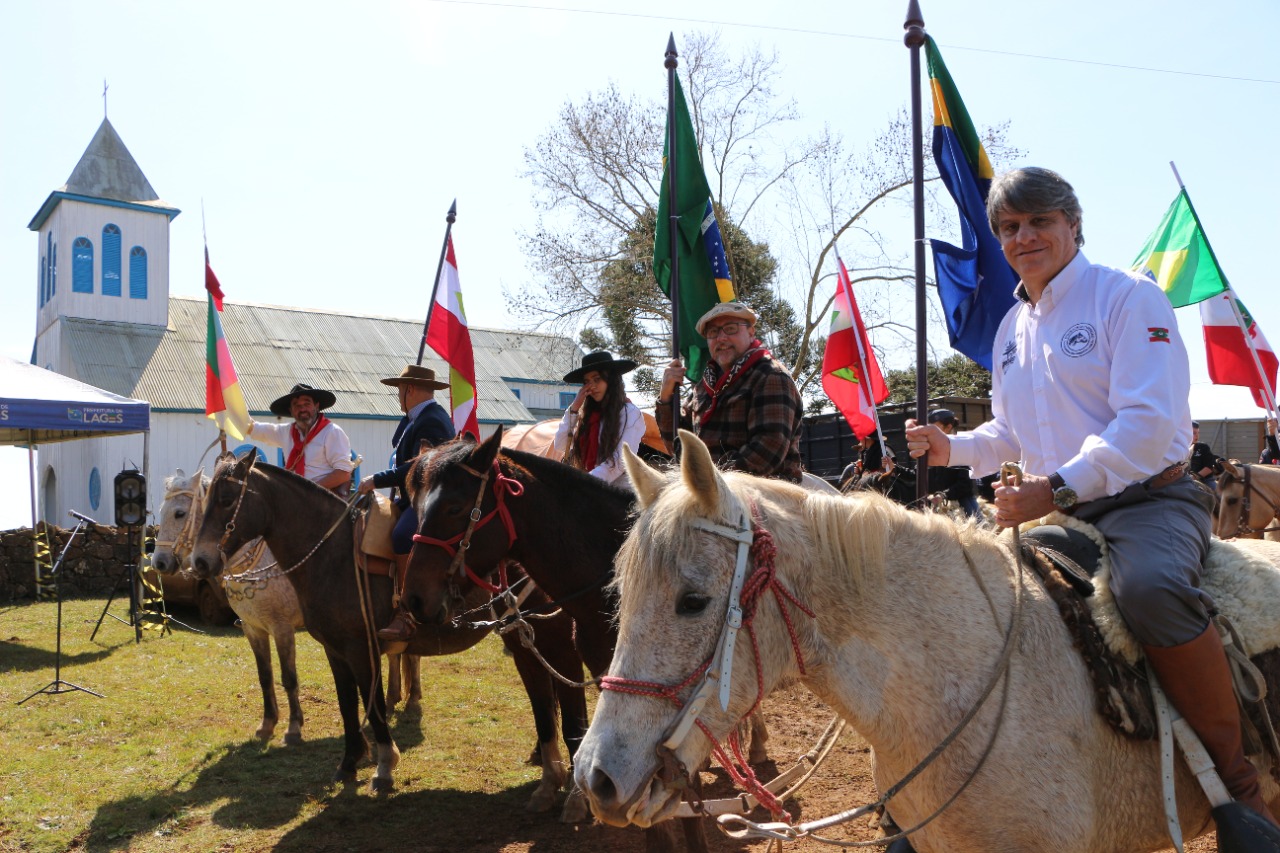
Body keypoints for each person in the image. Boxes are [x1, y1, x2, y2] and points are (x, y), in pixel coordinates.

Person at [905, 167, 1277, 827]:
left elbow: (1149, 424)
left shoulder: (1129, 298)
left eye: (1040, 221)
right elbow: (1010, 433)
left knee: (1152, 591)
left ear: (1072, 225)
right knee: (966, 602)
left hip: (1150, 502)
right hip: (1058, 510)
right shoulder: (1011, 330)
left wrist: (1054, 485)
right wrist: (951, 447)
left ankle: (1237, 785)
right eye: (1011, 227)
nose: (1025, 237)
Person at [357, 364, 455, 643]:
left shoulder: (432, 420)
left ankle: (406, 614)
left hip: (427, 500)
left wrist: (377, 479)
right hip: (410, 497)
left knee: (402, 535)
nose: (398, 395)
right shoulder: (415, 418)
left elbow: (420, 468)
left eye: (399, 390)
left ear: (409, 389)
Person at [656, 302, 804, 484]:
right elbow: (677, 446)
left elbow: (767, 450)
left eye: (731, 329)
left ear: (751, 333)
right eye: (713, 333)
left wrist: (708, 478)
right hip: (710, 489)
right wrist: (665, 398)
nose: (721, 338)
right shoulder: (704, 386)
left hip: (766, 491)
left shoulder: (770, 376)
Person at [553, 351, 645, 484]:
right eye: (587, 382)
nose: (592, 386)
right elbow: (561, 444)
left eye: (597, 379)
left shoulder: (629, 413)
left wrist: (584, 483)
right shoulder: (589, 418)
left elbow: (619, 462)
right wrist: (574, 408)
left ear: (611, 379)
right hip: (592, 491)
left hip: (620, 495)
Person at [249, 383, 354, 496]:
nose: (302, 408)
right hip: (297, 500)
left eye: (307, 403)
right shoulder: (287, 432)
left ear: (316, 406)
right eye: (296, 405)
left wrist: (308, 491)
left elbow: (344, 473)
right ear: (291, 410)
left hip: (325, 501)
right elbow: (253, 428)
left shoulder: (331, 432)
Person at [924, 409, 981, 519]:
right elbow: (918, 475)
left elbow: (965, 484)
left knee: (979, 527)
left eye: (934, 427)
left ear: (948, 427)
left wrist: (944, 494)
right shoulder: (929, 449)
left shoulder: (962, 447)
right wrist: (896, 469)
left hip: (961, 502)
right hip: (934, 503)